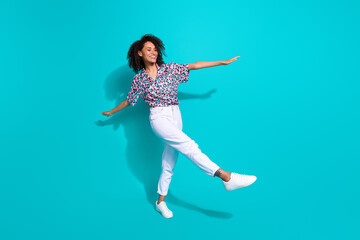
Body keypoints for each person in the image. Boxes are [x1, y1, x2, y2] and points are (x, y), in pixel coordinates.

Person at [102, 34, 257, 219]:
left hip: (176, 114)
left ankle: (160, 202)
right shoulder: (140, 80)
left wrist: (222, 63)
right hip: (158, 117)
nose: (153, 52)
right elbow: (129, 100)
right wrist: (112, 112)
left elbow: (194, 65)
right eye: (149, 49)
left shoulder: (169, 69)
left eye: (155, 49)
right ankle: (226, 177)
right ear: (140, 53)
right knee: (189, 146)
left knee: (169, 162)